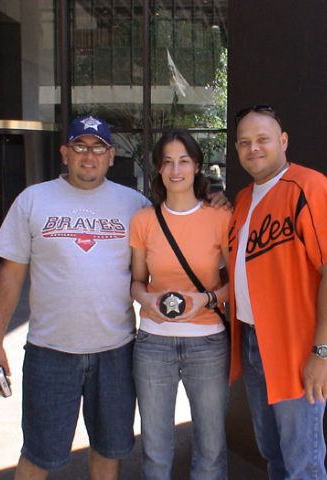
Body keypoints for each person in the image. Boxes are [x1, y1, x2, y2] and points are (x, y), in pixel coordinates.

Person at [0, 115, 151, 479]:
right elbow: (10, 275)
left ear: (110, 155)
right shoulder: (33, 200)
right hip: (50, 354)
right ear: (64, 153)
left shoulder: (134, 204)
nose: (89, 156)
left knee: (108, 451)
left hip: (116, 353)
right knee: (40, 455)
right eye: (80, 147)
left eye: (98, 148)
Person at [228, 105, 327, 479]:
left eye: (262, 139)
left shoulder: (310, 186)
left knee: (303, 462)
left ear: (283, 141)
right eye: (244, 142)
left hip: (297, 344)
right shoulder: (244, 199)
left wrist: (323, 350)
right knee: (273, 452)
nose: (253, 148)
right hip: (252, 338)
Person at [129, 130, 231, 480]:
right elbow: (137, 281)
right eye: (168, 161)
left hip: (208, 343)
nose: (176, 169)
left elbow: (237, 284)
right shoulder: (144, 220)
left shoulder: (220, 218)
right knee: (155, 450)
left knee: (211, 450)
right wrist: (149, 300)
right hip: (153, 342)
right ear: (158, 168)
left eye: (184, 161)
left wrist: (206, 299)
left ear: (197, 166)